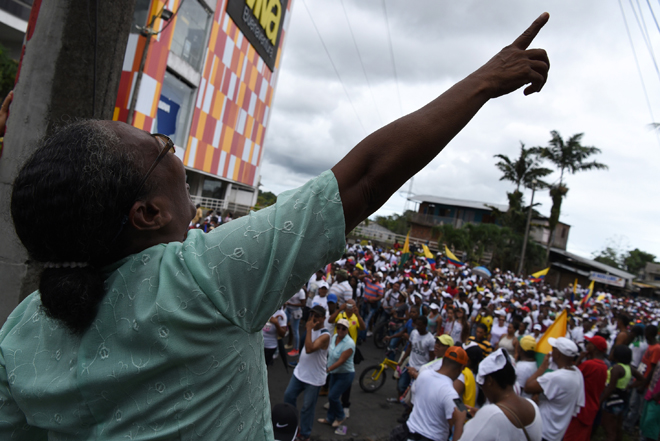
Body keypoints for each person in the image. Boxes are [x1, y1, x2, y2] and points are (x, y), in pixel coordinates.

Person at [1, 13, 551, 440]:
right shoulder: (203, 279)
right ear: (149, 214)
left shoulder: (20, 329)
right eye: (161, 146)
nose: (173, 151)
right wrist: (485, 80)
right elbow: (364, 178)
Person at [459, 348, 543, 441]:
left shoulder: (490, 414)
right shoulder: (533, 406)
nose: (483, 389)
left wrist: (460, 420)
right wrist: (481, 417)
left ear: (490, 381)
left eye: (481, 384)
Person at [399, 347, 469, 441]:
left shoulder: (423, 374)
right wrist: (461, 419)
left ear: (443, 359)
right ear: (462, 368)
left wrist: (462, 408)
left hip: (409, 432)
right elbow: (458, 414)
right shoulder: (450, 393)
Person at [283, 306, 330, 441]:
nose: (314, 317)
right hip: (300, 372)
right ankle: (293, 425)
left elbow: (309, 349)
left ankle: (305, 434)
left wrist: (308, 329)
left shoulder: (325, 335)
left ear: (323, 318)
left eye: (317, 316)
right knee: (289, 396)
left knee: (307, 408)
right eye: (312, 314)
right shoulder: (309, 331)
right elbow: (304, 347)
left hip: (314, 378)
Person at [524, 337, 585, 441]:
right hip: (557, 434)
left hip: (544, 432)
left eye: (553, 349)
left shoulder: (555, 378)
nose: (551, 352)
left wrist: (542, 368)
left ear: (557, 355)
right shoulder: (577, 373)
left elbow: (528, 387)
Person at [564, 335, 609, 441]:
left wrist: (579, 359)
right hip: (592, 407)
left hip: (581, 409)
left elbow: (572, 375)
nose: (586, 345)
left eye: (589, 343)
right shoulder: (603, 365)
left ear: (593, 348)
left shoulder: (590, 365)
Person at [317, 318, 355, 428]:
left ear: (347, 330)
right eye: (338, 327)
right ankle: (330, 418)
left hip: (345, 374)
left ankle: (341, 416)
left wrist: (327, 370)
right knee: (331, 396)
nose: (340, 330)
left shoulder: (349, 343)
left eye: (343, 328)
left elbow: (341, 361)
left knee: (333, 396)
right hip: (334, 372)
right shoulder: (334, 337)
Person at [601, 345, 643, 441]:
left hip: (612, 401)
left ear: (617, 356)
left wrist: (600, 401)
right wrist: (629, 386)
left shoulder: (616, 368)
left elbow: (611, 387)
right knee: (618, 428)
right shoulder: (629, 368)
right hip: (622, 400)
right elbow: (642, 379)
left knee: (610, 431)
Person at [286, 288, 306, 357]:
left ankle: (296, 349)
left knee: (295, 331)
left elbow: (303, 304)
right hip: (288, 310)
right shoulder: (292, 288)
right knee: (287, 327)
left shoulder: (301, 292)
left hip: (295, 312)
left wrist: (290, 304)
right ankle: (289, 343)